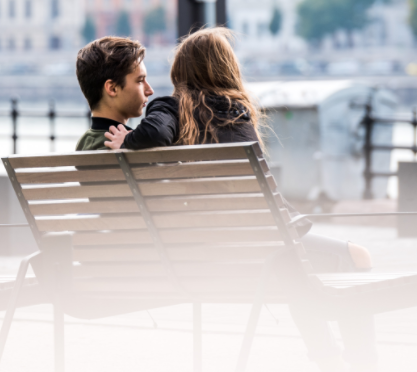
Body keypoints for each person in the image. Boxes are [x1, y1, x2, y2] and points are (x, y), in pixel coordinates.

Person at [101, 28, 376, 372]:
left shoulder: (173, 107)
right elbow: (155, 132)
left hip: (220, 253)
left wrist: (127, 141)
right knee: (351, 256)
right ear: (226, 68)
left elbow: (156, 133)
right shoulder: (236, 112)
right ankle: (357, 360)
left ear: (180, 71)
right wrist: (133, 140)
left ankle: (330, 357)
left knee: (294, 265)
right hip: (268, 248)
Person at [74, 36, 153, 151]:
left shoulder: (85, 144)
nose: (150, 90)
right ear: (112, 88)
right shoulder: (118, 147)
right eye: (140, 81)